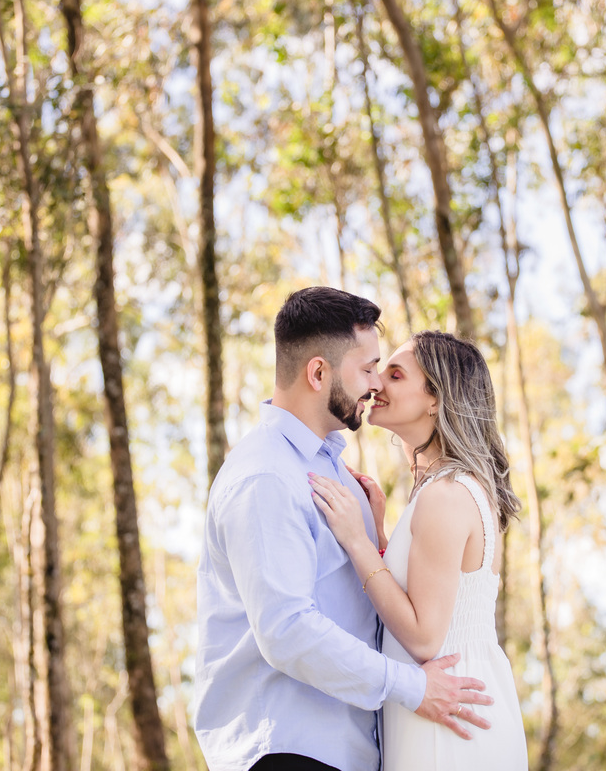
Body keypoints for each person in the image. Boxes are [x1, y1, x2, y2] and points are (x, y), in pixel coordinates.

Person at [193, 288, 493, 771]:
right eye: (369, 368)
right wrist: (414, 689)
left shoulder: (336, 471)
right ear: (318, 373)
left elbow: (364, 604)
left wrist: (374, 536)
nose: (375, 385)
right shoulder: (267, 476)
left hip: (350, 751)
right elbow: (287, 630)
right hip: (287, 748)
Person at [308, 330, 529, 771]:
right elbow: (436, 591)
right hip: (452, 701)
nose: (376, 385)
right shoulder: (448, 488)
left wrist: (356, 540)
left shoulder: (444, 494)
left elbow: (426, 636)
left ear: (435, 398)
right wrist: (381, 538)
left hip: (448, 712)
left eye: (395, 374)